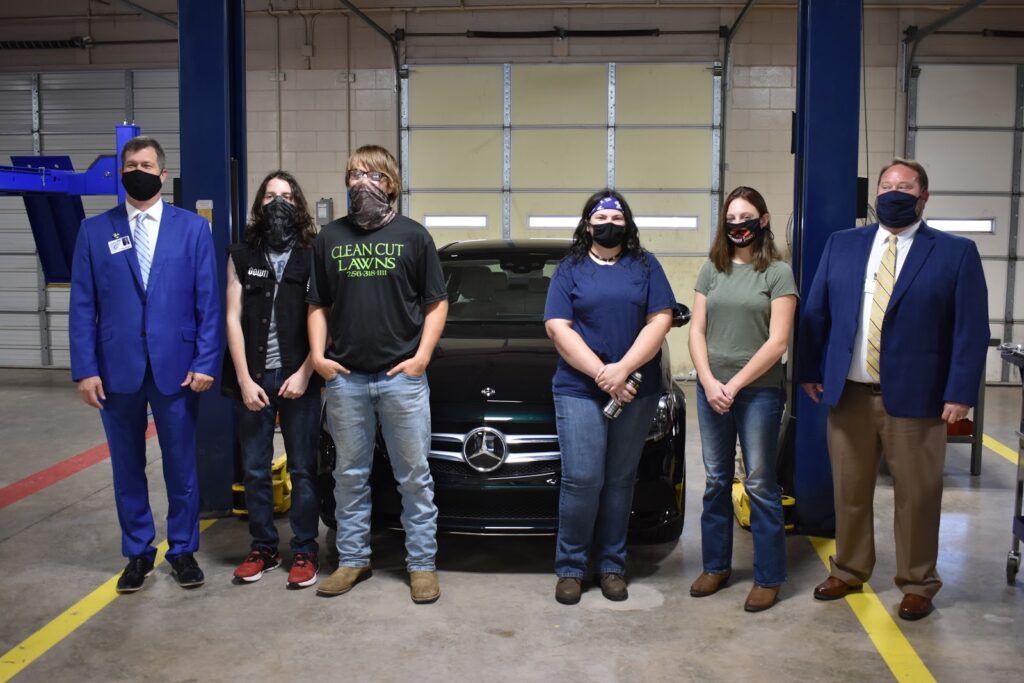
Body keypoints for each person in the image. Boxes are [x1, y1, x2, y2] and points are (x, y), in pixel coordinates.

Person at [796, 158, 989, 621]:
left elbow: (970, 329)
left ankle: (918, 582)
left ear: (924, 197)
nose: (893, 193)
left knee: (918, 496)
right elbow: (816, 312)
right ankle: (849, 568)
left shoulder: (955, 253)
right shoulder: (843, 245)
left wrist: (960, 392)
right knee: (849, 490)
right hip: (850, 395)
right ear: (876, 194)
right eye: (886, 186)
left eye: (905, 186)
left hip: (920, 400)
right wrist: (808, 368)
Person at [69, 135, 220, 592]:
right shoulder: (94, 231)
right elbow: (82, 305)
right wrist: (85, 369)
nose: (138, 171)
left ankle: (183, 550)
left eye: (147, 165)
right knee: (126, 466)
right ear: (121, 172)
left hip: (178, 367)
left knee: (180, 464)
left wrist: (206, 361)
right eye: (131, 165)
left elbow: (208, 302)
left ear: (163, 174)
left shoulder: (192, 229)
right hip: (116, 369)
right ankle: (137, 552)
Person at [307, 145, 448, 604]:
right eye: (353, 174)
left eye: (371, 174)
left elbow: (436, 302)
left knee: (414, 477)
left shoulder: (414, 236)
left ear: (391, 184)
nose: (360, 182)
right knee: (349, 475)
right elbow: (317, 303)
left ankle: (421, 565)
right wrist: (318, 357)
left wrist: (421, 358)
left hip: (401, 379)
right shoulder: (330, 238)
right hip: (346, 379)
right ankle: (353, 560)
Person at [544, 190, 676, 605]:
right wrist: (603, 375)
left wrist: (621, 370)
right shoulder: (570, 269)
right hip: (580, 389)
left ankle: (612, 565)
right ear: (587, 225)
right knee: (583, 479)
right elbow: (558, 327)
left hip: (635, 387)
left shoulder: (645, 265)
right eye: (601, 218)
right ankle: (571, 567)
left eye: (617, 218)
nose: (609, 224)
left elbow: (661, 319)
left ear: (628, 224)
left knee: (620, 479)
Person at [687, 187, 797, 612]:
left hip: (758, 392)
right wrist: (709, 381)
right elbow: (697, 331)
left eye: (745, 217)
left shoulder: (777, 274)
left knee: (760, 483)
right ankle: (715, 566)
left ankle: (769, 577)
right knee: (716, 480)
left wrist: (733, 386)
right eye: (731, 218)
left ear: (763, 220)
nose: (738, 225)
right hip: (711, 388)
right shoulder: (711, 270)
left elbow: (778, 342)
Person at [223, 171, 322, 588]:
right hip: (255, 377)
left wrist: (306, 372)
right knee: (255, 469)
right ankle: (263, 547)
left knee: (303, 468)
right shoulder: (242, 254)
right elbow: (232, 318)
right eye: (270, 196)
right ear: (259, 204)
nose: (278, 202)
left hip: (300, 377)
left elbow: (326, 315)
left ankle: (305, 549)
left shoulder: (314, 253)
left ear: (297, 203)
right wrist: (244, 380)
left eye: (285, 195)